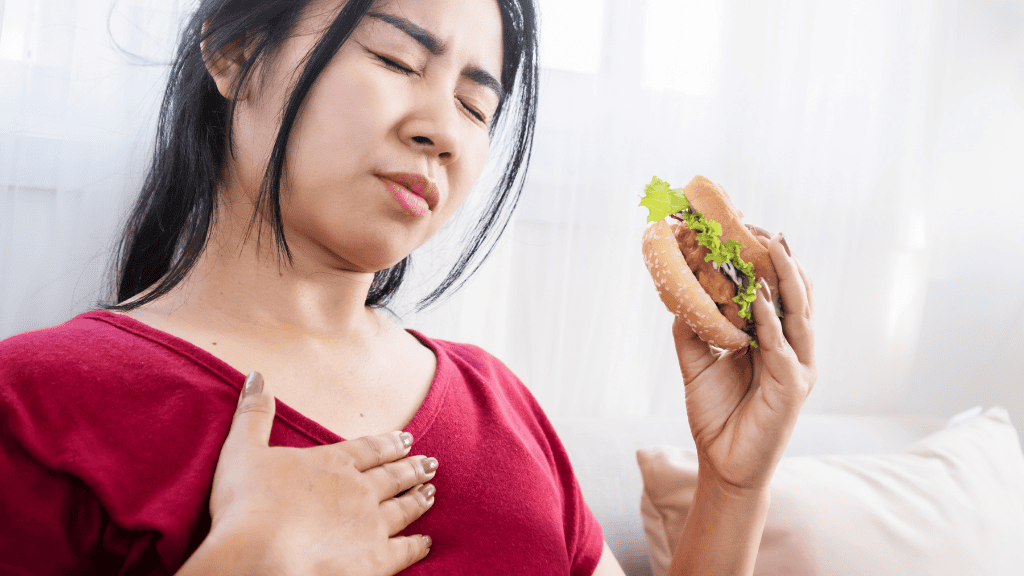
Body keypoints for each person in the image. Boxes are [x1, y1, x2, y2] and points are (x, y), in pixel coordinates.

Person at [0, 0, 817, 574]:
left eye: (474, 104)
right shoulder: (36, 400)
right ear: (235, 50)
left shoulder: (502, 406)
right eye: (396, 59)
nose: (440, 130)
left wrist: (733, 485)